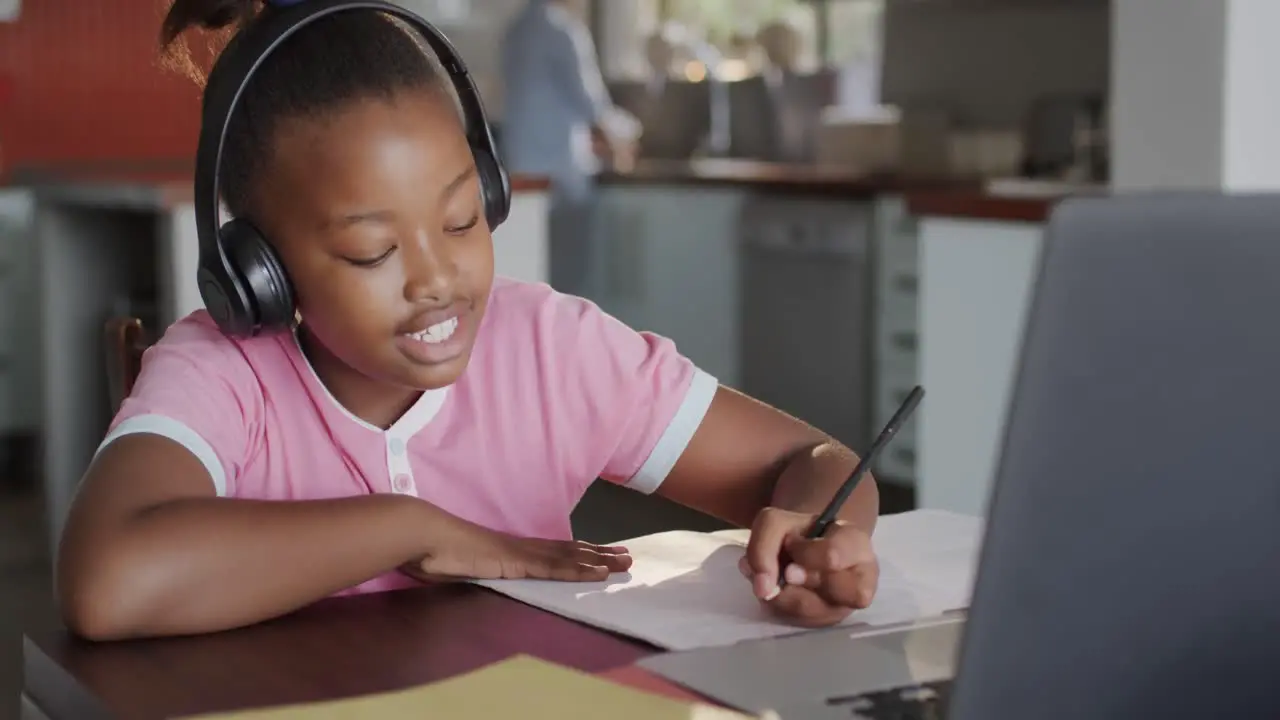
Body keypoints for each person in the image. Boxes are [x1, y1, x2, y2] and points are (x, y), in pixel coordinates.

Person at [54, 0, 881, 642]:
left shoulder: (553, 350)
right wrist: (408, 530)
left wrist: (826, 531)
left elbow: (811, 460)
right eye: (373, 252)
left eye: (460, 222)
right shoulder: (219, 372)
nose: (439, 281)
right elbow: (106, 581)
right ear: (259, 271)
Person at [498, 0, 635, 297]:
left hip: (522, 171)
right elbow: (592, 104)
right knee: (568, 284)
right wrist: (625, 138)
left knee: (532, 278)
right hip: (563, 174)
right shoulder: (563, 31)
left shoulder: (516, 29)